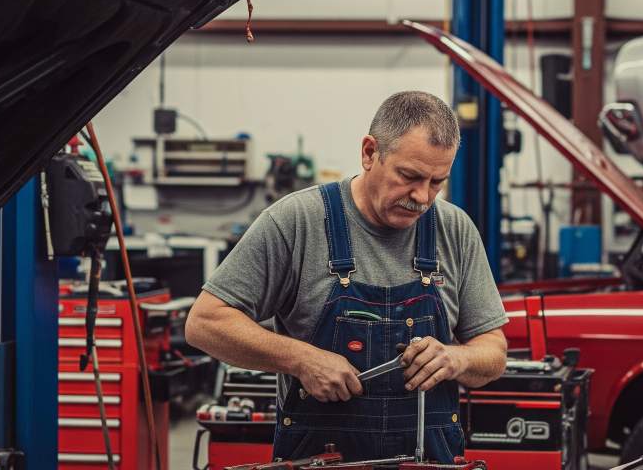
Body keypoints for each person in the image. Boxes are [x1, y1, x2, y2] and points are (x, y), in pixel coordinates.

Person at [185, 90, 508, 462]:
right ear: (370, 153)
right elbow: (205, 322)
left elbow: (494, 352)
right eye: (409, 176)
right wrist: (301, 359)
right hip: (321, 456)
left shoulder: (455, 230)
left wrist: (457, 359)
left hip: (427, 457)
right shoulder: (297, 221)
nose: (422, 197)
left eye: (437, 181)